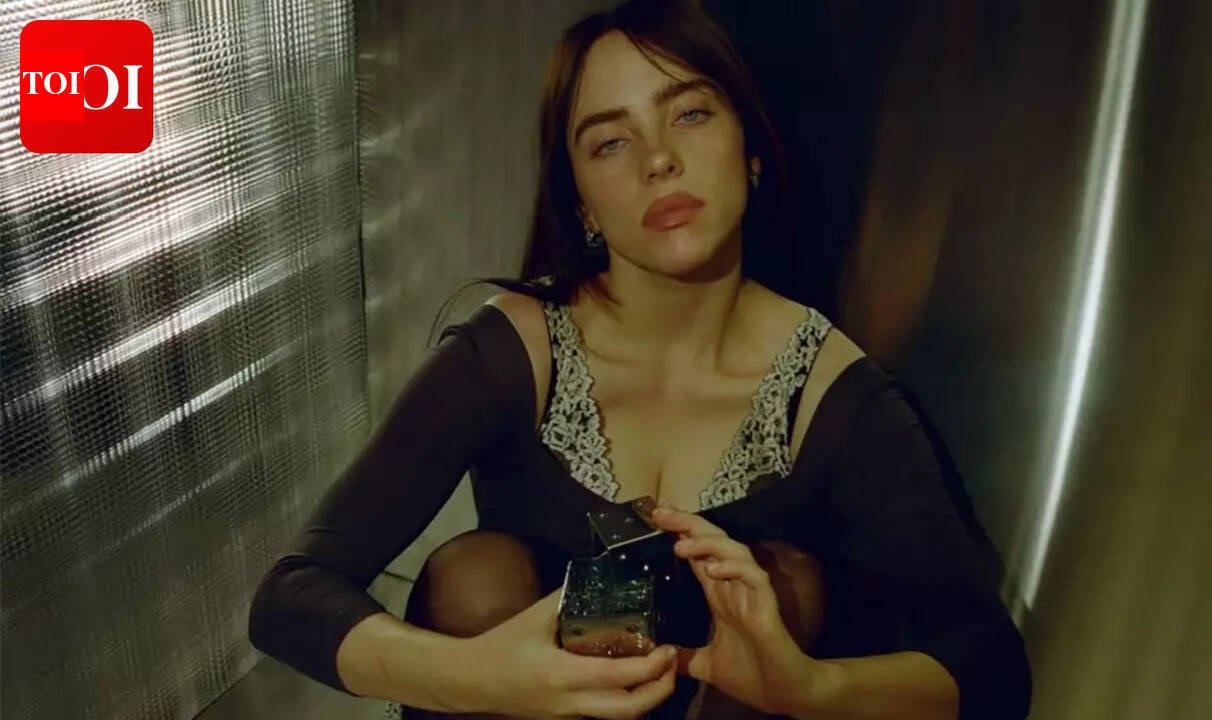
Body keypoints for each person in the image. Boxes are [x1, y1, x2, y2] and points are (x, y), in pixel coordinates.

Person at [247, 1, 1032, 718]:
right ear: (583, 202)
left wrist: (810, 687)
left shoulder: (834, 393)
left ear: (751, 151)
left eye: (689, 113)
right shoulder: (516, 348)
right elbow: (290, 597)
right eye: (611, 141)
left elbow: (991, 668)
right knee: (477, 574)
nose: (658, 159)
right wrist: (475, 676)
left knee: (788, 584)